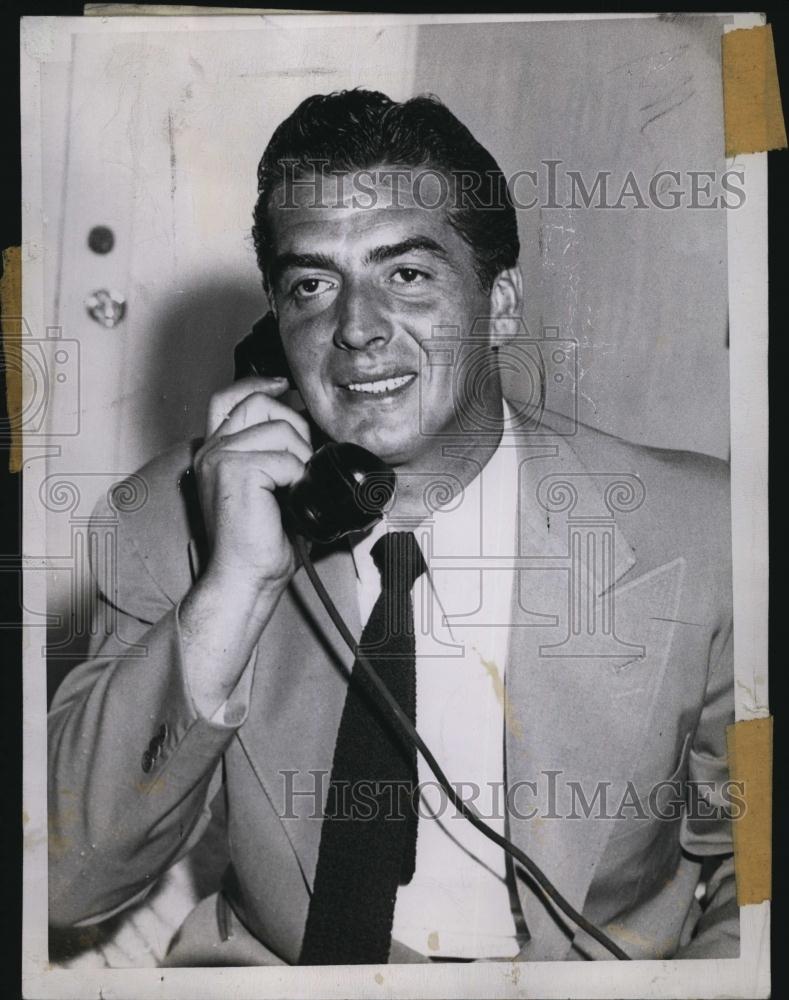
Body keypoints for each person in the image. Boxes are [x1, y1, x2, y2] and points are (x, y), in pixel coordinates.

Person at [48, 89, 737, 964]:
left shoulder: (700, 528)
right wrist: (234, 587)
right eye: (311, 286)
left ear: (500, 304)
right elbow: (63, 882)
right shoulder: (169, 517)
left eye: (406, 275)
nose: (355, 330)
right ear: (274, 327)